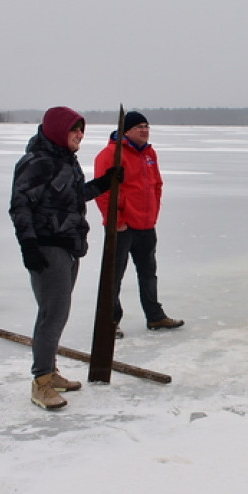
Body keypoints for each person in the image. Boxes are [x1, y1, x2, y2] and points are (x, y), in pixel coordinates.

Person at [9, 107, 119, 410]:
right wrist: (29, 246)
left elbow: (72, 197)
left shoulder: (65, 162)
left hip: (68, 246)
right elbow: (20, 207)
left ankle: (50, 372)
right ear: (58, 130)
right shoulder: (37, 163)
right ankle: (41, 382)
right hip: (47, 247)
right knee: (52, 314)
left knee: (58, 312)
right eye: (74, 130)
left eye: (82, 131)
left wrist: (103, 184)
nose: (80, 136)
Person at [93, 111, 182, 338]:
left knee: (148, 274)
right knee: (114, 276)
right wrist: (118, 221)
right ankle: (110, 321)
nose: (144, 130)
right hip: (122, 228)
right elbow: (102, 192)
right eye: (138, 126)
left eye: (146, 126)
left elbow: (157, 185)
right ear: (126, 131)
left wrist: (153, 214)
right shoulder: (111, 155)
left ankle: (155, 316)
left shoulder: (149, 154)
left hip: (146, 226)